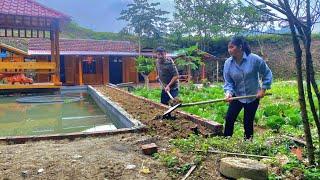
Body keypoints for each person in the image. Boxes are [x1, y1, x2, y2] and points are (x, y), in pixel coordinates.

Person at [223, 36, 272, 140]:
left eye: (232, 47)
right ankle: (226, 141)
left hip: (253, 96)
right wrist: (228, 93)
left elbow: (267, 73)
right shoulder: (228, 63)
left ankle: (248, 143)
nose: (229, 50)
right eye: (228, 48)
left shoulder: (254, 59)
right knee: (229, 118)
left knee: (248, 122)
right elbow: (228, 82)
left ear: (240, 47)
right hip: (237, 95)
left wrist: (263, 89)